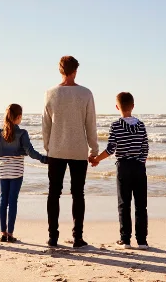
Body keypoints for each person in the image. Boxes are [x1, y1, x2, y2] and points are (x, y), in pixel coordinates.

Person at [42, 55, 98, 248]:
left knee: (53, 193)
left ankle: (53, 237)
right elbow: (90, 124)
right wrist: (94, 149)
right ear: (75, 71)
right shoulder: (85, 93)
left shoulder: (50, 93)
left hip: (56, 149)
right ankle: (78, 237)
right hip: (78, 150)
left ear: (60, 70)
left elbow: (46, 124)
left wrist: (48, 146)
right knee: (78, 194)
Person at [0, 103, 48, 243]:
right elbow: (30, 152)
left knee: (3, 200)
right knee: (13, 201)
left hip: (3, 170)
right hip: (16, 171)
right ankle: (10, 234)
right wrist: (45, 159)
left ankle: (3, 233)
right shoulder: (22, 133)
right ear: (18, 117)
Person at [90, 92, 149, 250]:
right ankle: (142, 241)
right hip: (138, 167)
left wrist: (96, 159)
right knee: (141, 205)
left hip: (123, 166)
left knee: (124, 204)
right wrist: (140, 162)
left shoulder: (116, 125)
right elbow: (145, 148)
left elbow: (111, 149)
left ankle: (126, 239)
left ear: (117, 107)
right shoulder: (141, 125)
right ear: (133, 106)